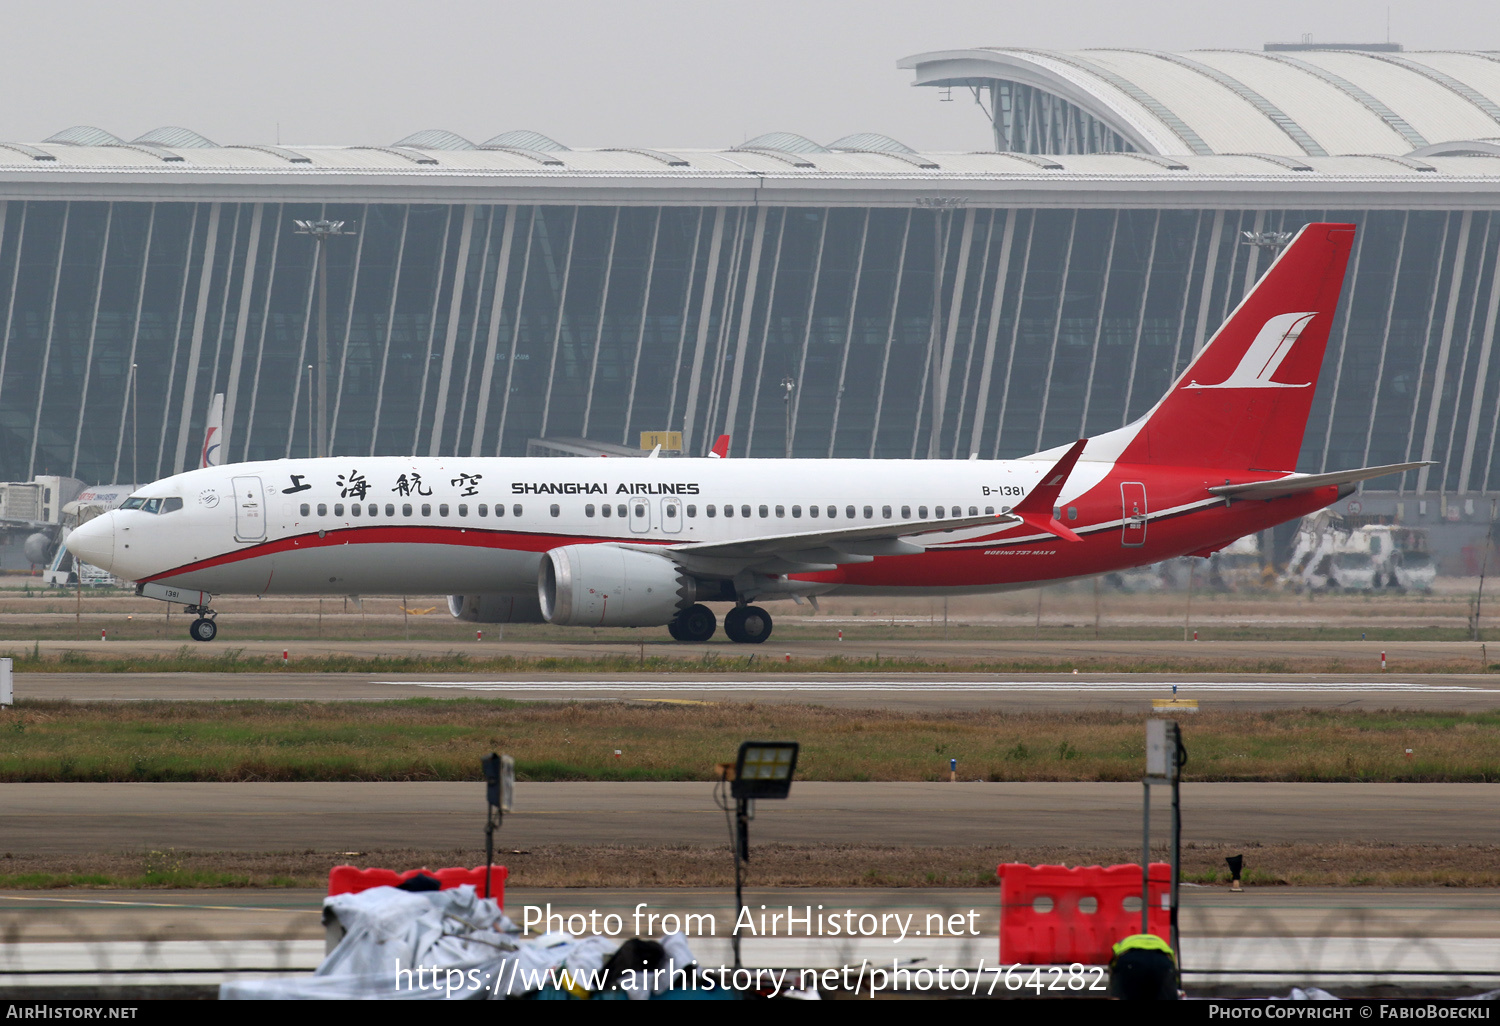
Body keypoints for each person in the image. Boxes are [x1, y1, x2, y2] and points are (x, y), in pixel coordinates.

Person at [1107, 933, 1180, 999]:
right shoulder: (1162, 944)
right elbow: (1173, 973)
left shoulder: (1120, 945)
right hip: (1162, 962)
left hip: (1129, 960)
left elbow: (1114, 970)